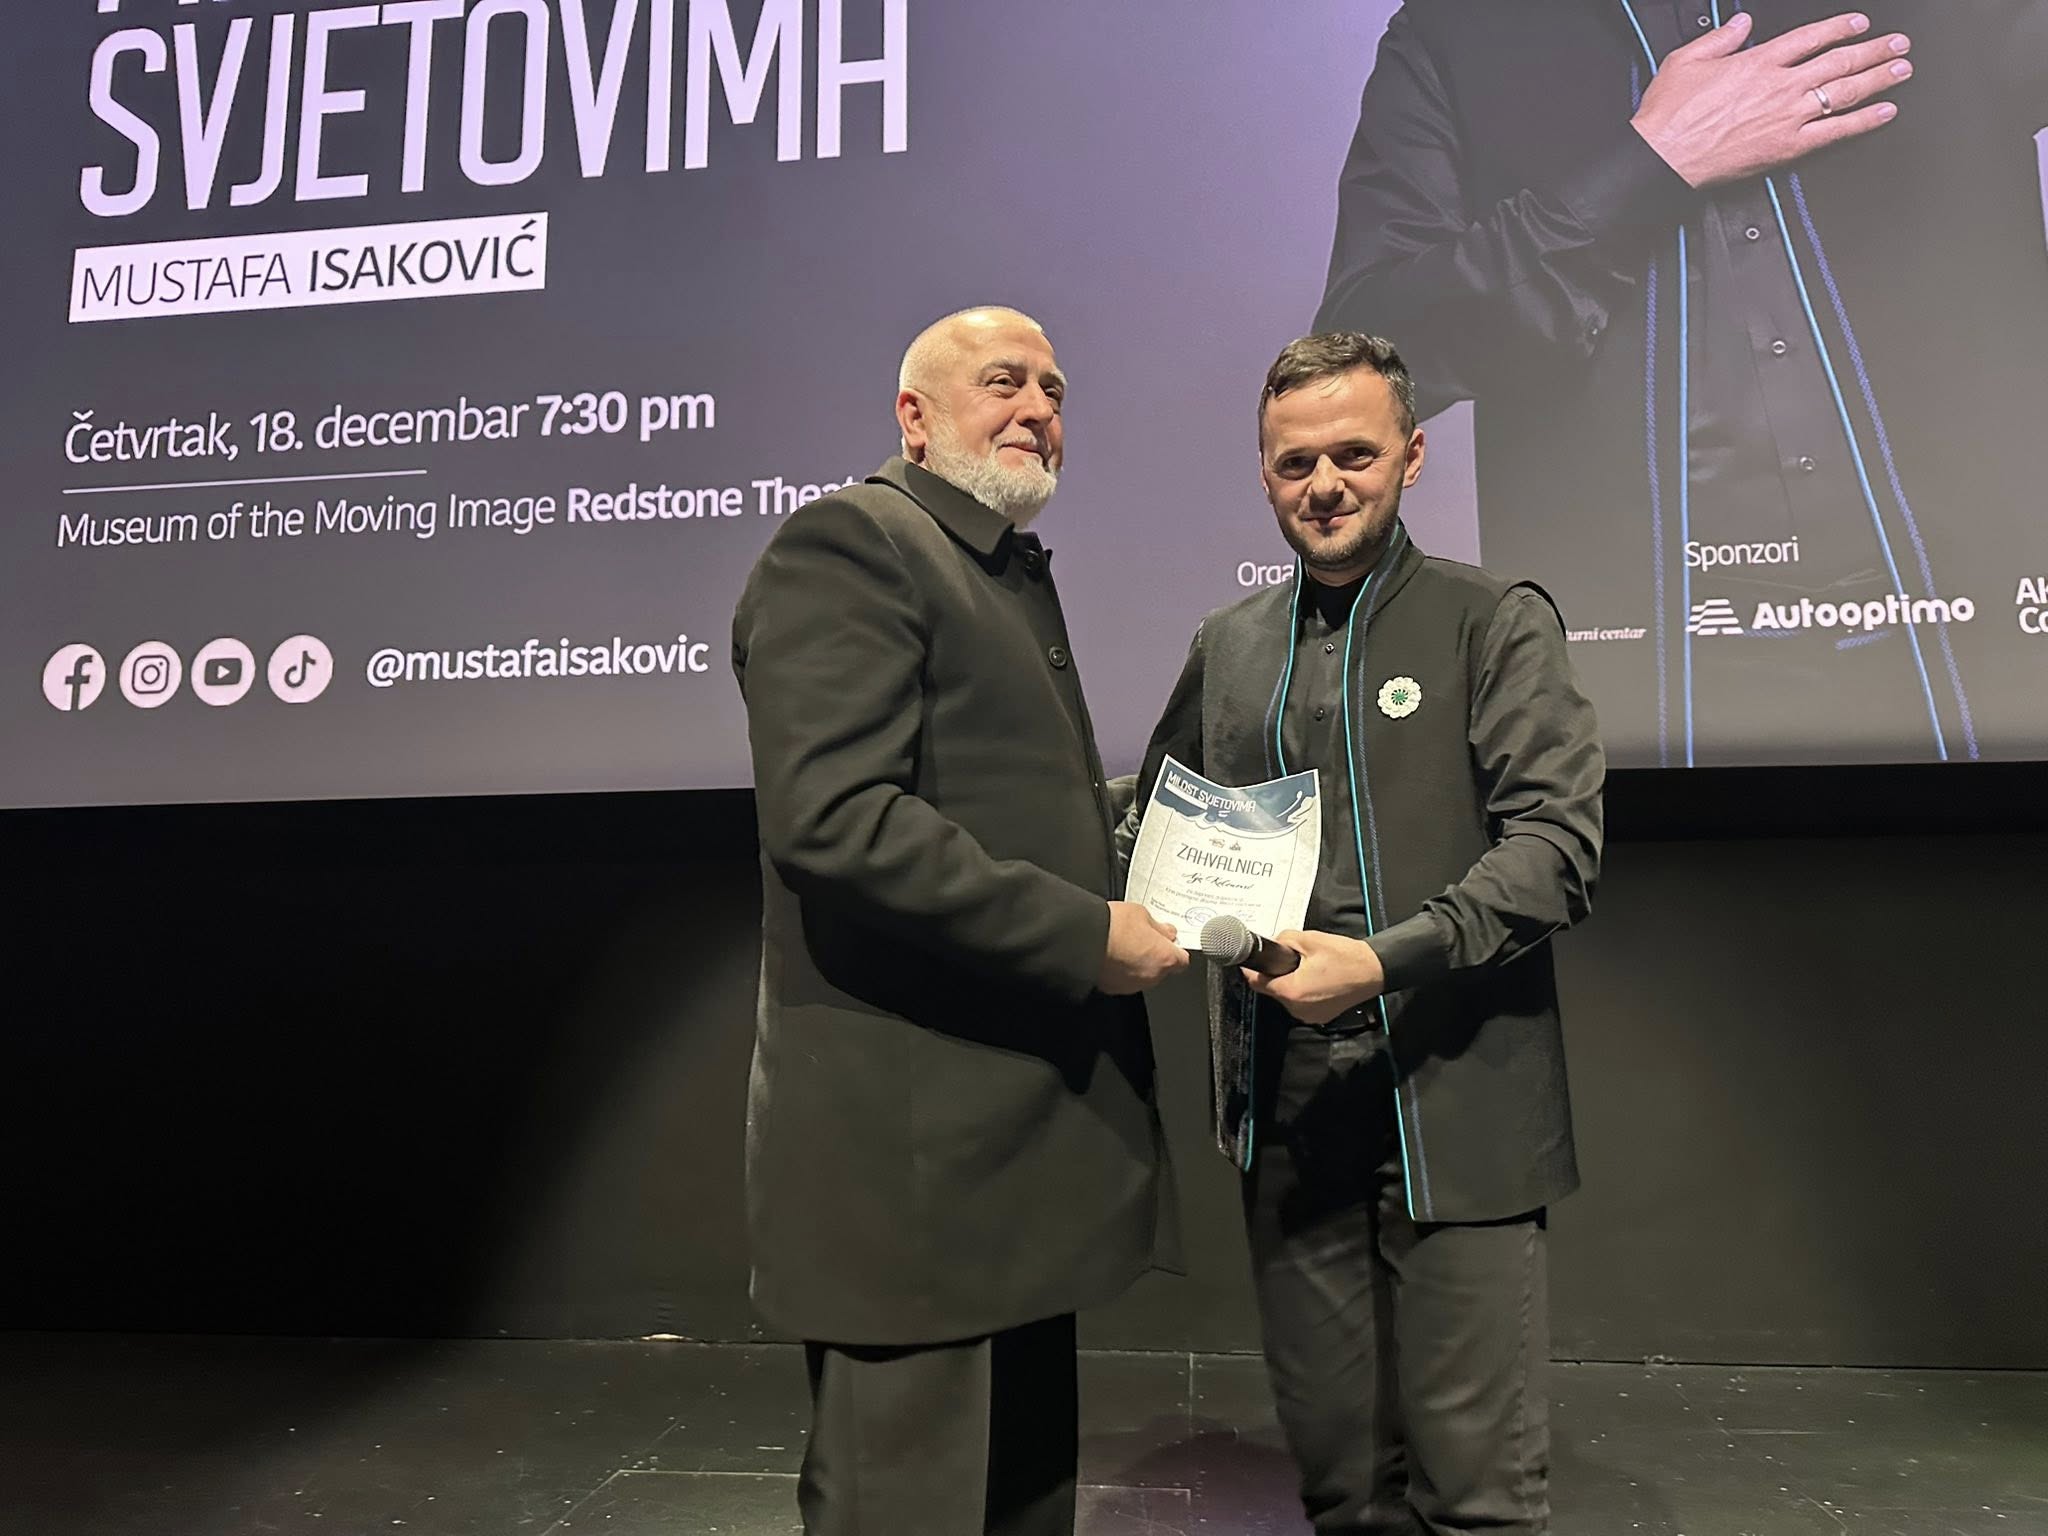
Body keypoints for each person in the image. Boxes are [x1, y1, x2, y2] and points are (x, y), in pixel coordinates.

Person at [1121, 333, 1603, 1532]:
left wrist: (1383, 962)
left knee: (1476, 1502)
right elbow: (1152, 824)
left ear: (1411, 456)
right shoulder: (1230, 646)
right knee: (1341, 1491)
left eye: (1353, 454)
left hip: (1455, 1102)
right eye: (1295, 463)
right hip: (1288, 1117)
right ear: (1264, 473)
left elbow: (1556, 849)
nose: (1324, 484)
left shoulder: (1491, 622)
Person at [731, 305, 1188, 1536]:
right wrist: (1086, 934)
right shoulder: (853, 543)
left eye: (1053, 389)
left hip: (1007, 1158)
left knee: (1018, 1502)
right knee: (907, 1506)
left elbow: (991, 808)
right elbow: (835, 821)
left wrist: (1154, 819)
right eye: (1002, 382)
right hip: (910, 1172)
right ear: (914, 416)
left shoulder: (989, 568)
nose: (1037, 407)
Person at [1318, 2, 2048, 767]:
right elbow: (1367, 366)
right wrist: (1648, 165)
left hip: (1980, 635)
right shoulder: (1457, 30)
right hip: (1633, 688)